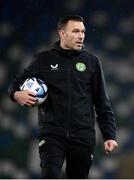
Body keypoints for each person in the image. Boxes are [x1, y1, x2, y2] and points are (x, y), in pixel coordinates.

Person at [8, 15, 118, 179]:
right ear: (62, 33)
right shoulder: (43, 60)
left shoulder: (92, 62)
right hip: (52, 134)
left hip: (83, 136)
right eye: (75, 31)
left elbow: (102, 103)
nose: (81, 36)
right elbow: (15, 84)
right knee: (50, 175)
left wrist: (109, 135)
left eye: (83, 31)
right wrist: (17, 94)